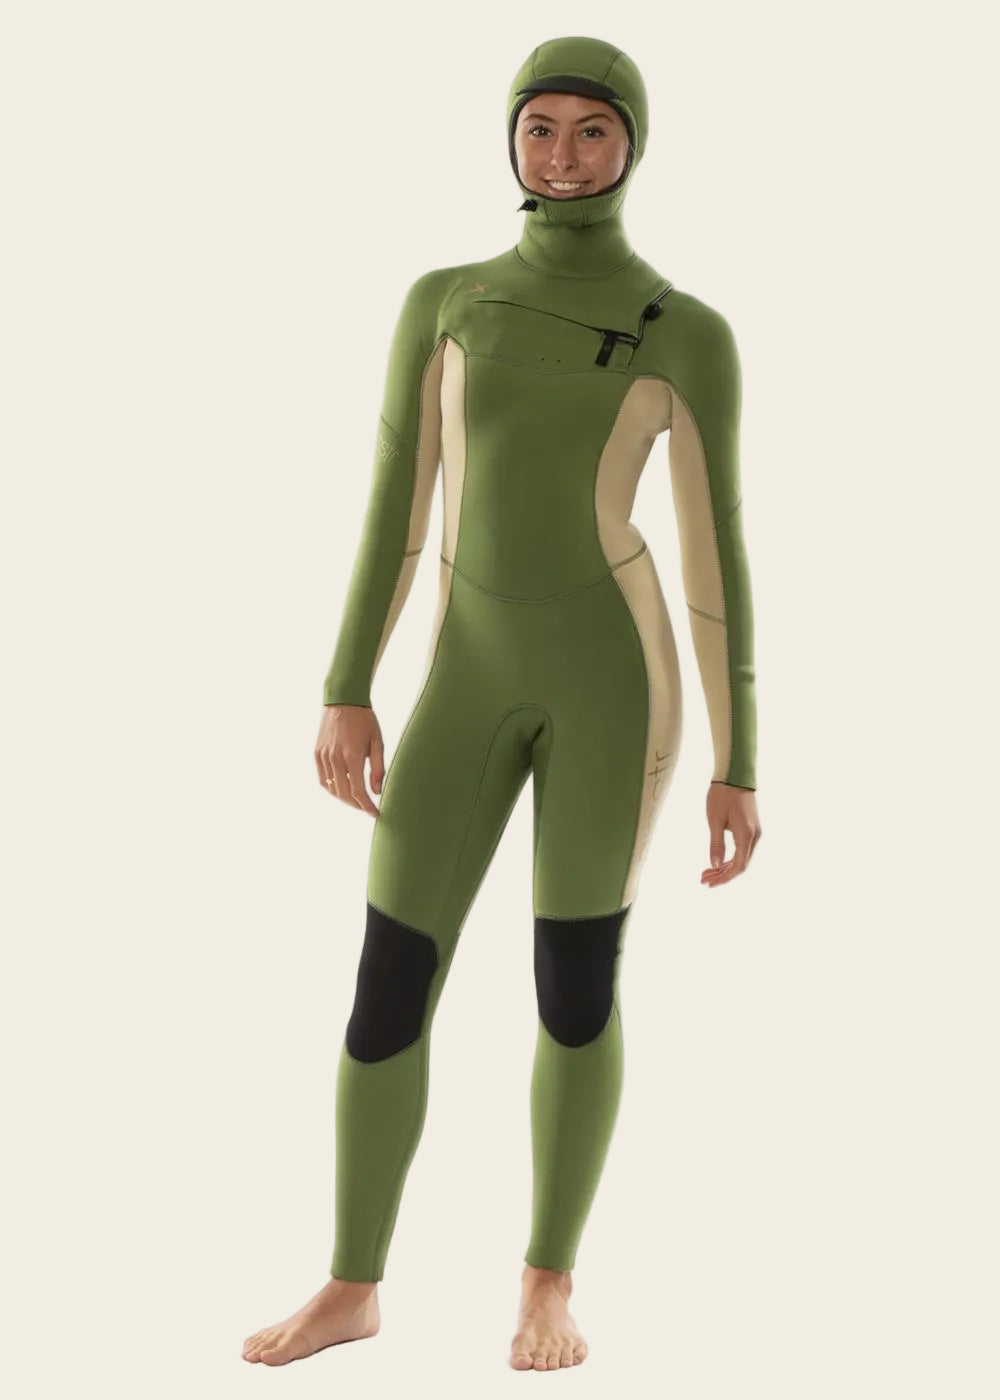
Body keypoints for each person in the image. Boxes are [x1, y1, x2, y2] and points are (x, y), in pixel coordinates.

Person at [242, 33, 762, 1373]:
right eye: (541, 128)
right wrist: (346, 686)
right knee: (389, 978)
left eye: (594, 130)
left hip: (613, 683)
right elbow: (394, 509)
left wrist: (740, 760)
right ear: (510, 139)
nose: (564, 156)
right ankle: (352, 1283)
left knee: (572, 986)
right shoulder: (447, 301)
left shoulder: (685, 330)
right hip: (463, 679)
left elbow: (716, 558)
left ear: (633, 144)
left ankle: (547, 1282)